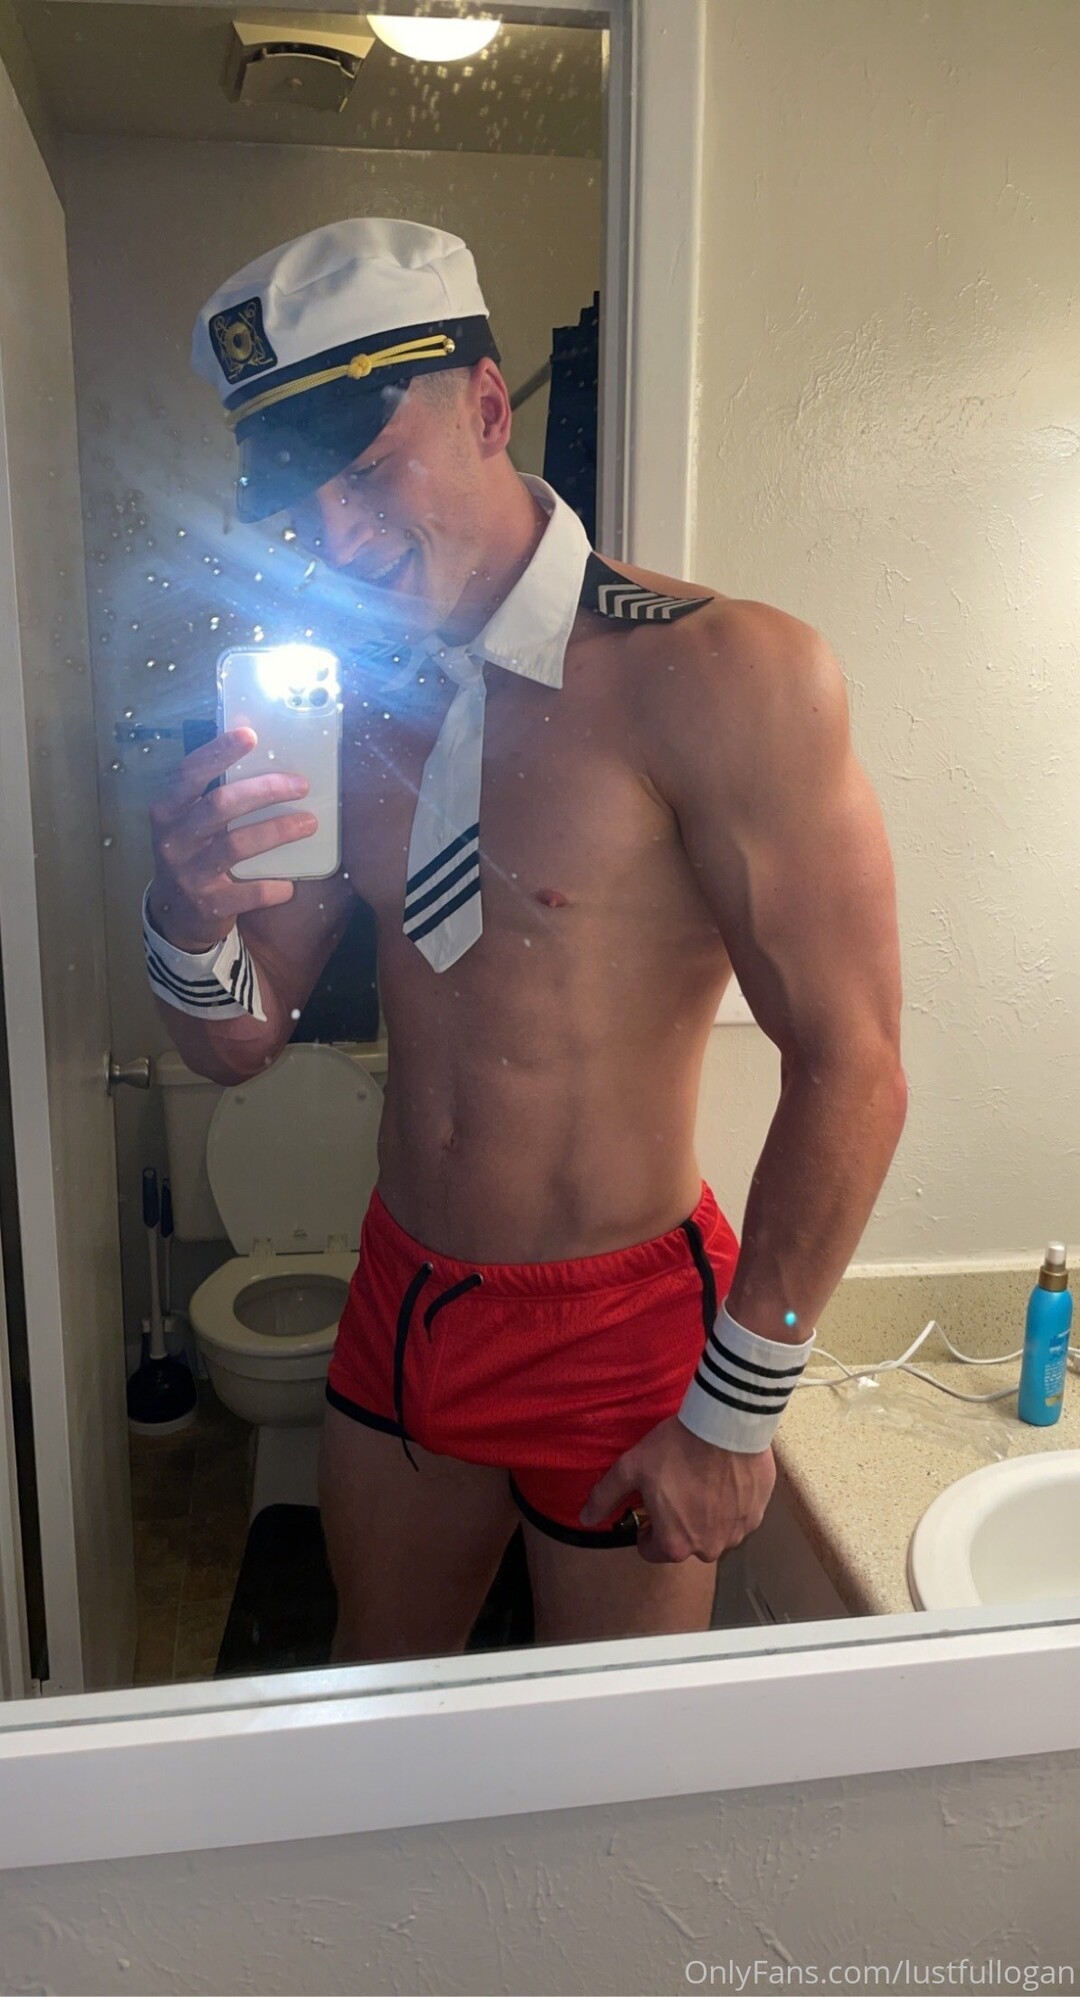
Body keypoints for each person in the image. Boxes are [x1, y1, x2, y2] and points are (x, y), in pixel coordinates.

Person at [145, 219, 907, 1662]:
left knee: (608, 1757)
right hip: (406, 1298)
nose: (336, 540)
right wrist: (183, 919)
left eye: (369, 473)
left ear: (490, 409)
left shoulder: (723, 674)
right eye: (301, 503)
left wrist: (738, 1409)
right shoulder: (349, 702)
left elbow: (854, 1061)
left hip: (625, 1324)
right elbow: (240, 1041)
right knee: (387, 1691)